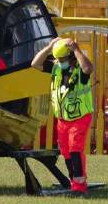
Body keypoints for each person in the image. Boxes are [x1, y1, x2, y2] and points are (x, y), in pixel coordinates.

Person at [31, 37, 94, 195]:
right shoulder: (56, 68)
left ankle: (79, 186)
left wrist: (77, 49)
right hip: (63, 119)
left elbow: (88, 68)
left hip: (80, 117)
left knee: (75, 148)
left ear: (71, 57)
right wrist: (49, 47)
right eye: (57, 59)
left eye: (62, 59)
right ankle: (74, 181)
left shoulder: (80, 70)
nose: (59, 61)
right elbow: (35, 64)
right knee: (66, 151)